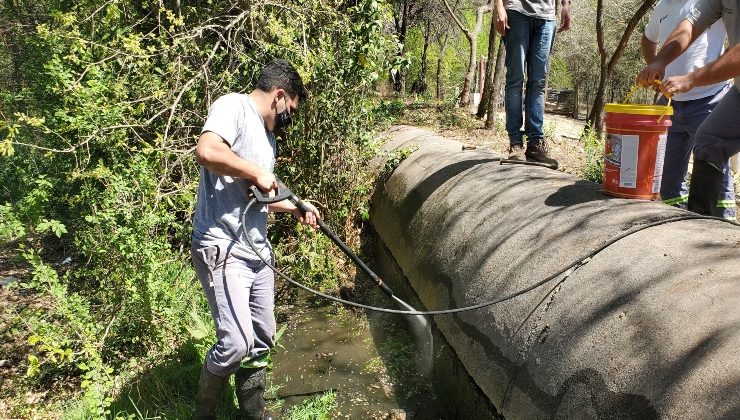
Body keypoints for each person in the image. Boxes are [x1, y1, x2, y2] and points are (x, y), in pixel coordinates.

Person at [191, 59, 319, 420]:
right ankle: (202, 413)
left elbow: (256, 196)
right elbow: (207, 151)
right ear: (279, 96)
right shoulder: (233, 107)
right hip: (222, 245)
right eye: (290, 111)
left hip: (257, 250)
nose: (287, 120)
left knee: (262, 337)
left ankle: (252, 413)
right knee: (235, 343)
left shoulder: (268, 138)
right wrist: (257, 171)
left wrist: (295, 206)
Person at [638, 0, 740, 216]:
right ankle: (695, 224)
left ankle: (723, 226)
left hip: (711, 97)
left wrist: (693, 79)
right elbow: (689, 25)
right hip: (726, 93)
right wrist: (659, 62)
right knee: (709, 142)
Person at [494, 0, 572, 168]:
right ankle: (515, 144)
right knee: (515, 79)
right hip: (516, 10)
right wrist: (498, 6)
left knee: (538, 82)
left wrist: (566, 4)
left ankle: (535, 145)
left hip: (547, 16)